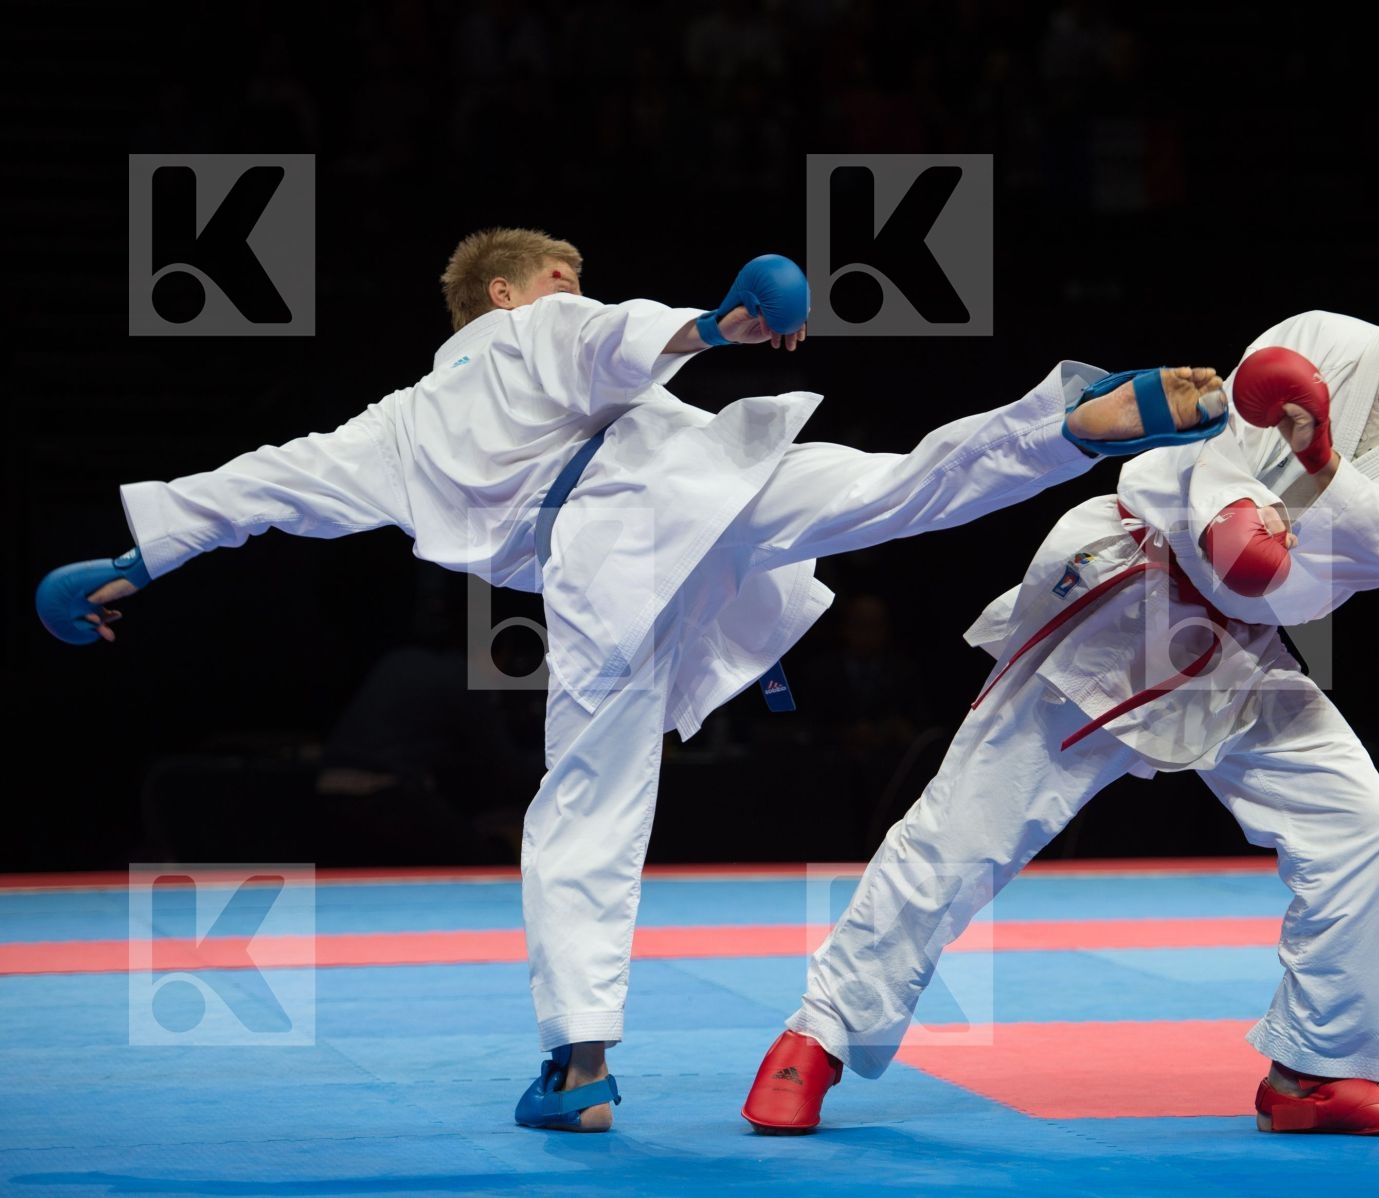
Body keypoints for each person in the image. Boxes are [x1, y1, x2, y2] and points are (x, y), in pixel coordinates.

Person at [33, 227, 1233, 1132]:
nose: (572, 283)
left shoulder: (383, 433)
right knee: (904, 487)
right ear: (498, 293)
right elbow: (605, 333)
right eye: (556, 270)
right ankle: (1071, 425)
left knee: (589, 801)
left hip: (612, 561)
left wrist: (138, 558)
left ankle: (580, 1061)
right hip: (693, 495)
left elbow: (265, 485)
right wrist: (715, 328)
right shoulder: (529, 328)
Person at [743, 236, 1379, 1139]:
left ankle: (1316, 1073)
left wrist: (1319, 464)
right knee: (966, 827)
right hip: (1133, 591)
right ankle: (814, 1039)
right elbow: (1222, 459)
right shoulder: (1321, 336)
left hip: (1240, 650)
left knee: (1363, 829)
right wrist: (1237, 527)